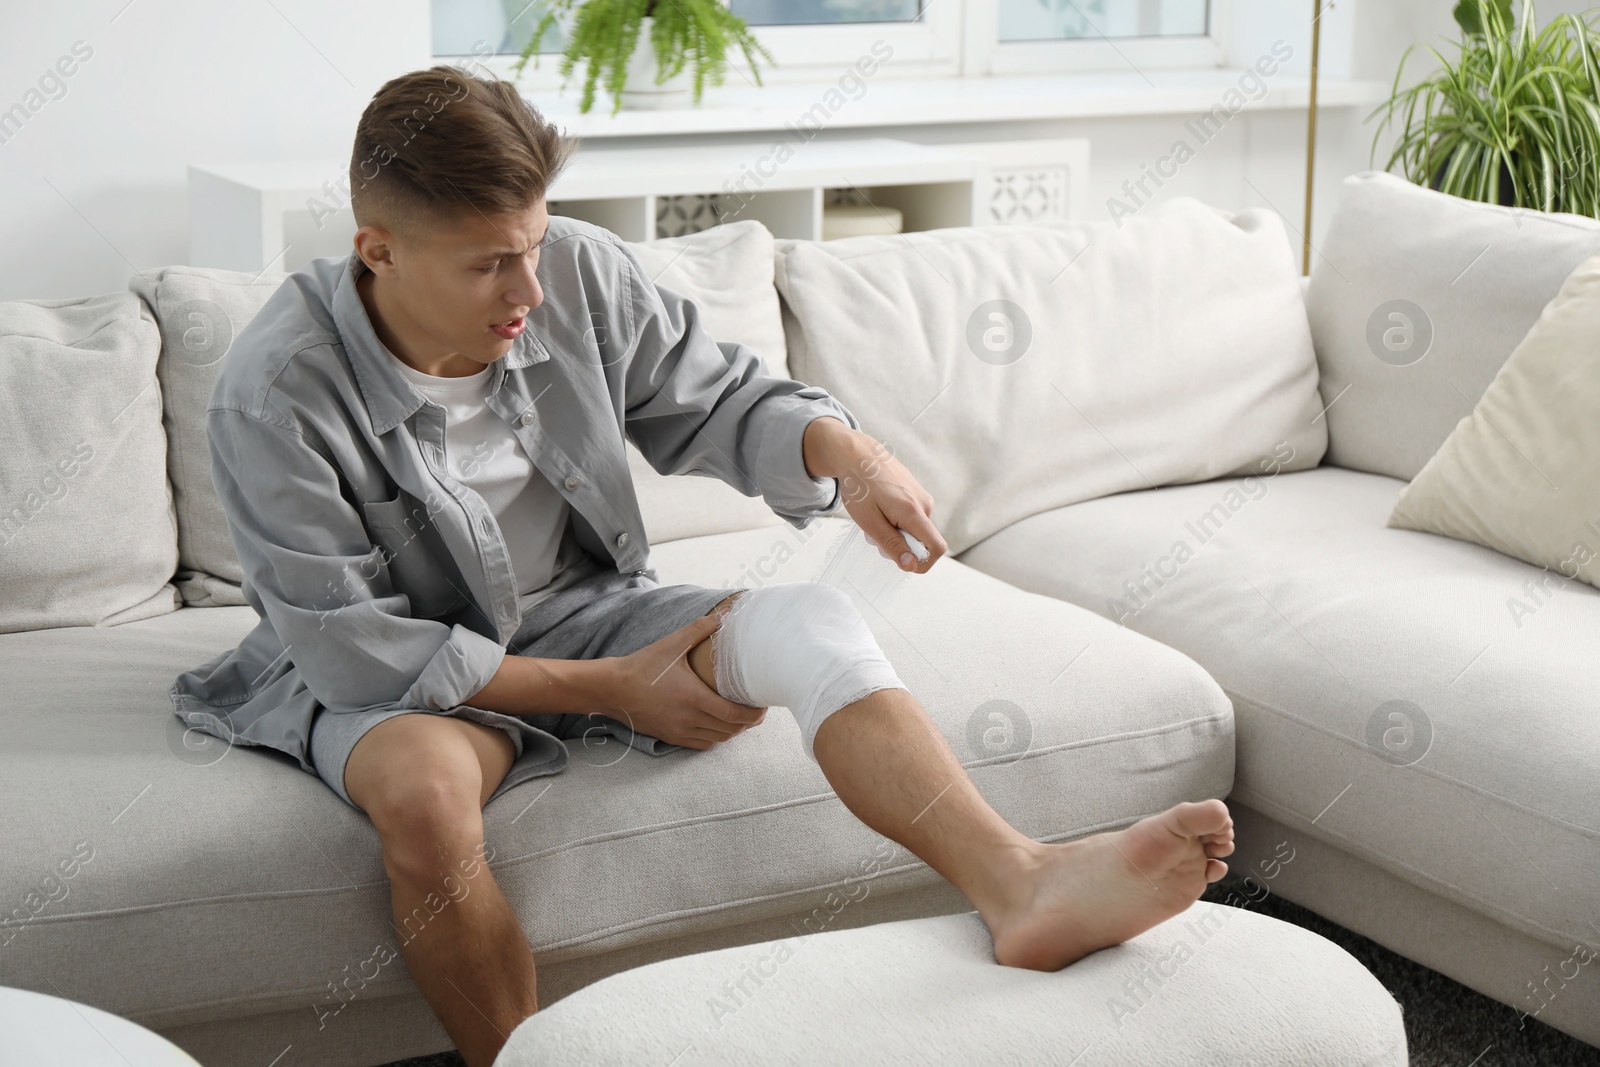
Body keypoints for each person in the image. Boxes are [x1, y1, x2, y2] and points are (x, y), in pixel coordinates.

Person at [169, 64, 1235, 1067]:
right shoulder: (275, 389)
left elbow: (718, 397)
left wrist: (847, 455)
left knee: (809, 620)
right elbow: (355, 648)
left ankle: (1021, 881)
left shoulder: (576, 271)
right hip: (394, 659)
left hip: (581, 607)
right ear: (378, 250)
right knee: (423, 792)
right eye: (490, 261)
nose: (529, 289)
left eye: (534, 245)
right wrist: (614, 691)